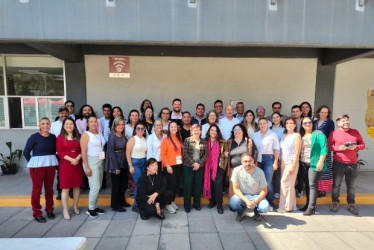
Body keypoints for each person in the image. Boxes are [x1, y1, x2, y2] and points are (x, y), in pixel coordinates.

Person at [23, 117, 59, 223]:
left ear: (50, 125)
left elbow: (56, 151)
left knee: (49, 189)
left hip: (50, 165)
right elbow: (26, 152)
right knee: (37, 190)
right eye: (43, 123)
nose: (45, 125)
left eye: (47, 123)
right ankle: (37, 213)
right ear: (39, 125)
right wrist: (32, 163)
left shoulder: (53, 137)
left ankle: (49, 210)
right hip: (37, 167)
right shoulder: (34, 137)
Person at [328, 114, 365, 215]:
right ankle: (335, 202)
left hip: (352, 163)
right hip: (338, 163)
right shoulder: (334, 133)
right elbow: (329, 146)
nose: (346, 122)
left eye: (347, 120)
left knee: (351, 185)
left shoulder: (355, 132)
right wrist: (339, 148)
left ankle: (351, 204)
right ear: (338, 123)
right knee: (336, 185)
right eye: (343, 121)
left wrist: (355, 147)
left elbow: (362, 145)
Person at [298, 117, 328, 216]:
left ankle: (312, 207)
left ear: (312, 123)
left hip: (314, 164)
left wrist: (320, 161)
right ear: (302, 124)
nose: (307, 124)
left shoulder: (318, 134)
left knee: (312, 185)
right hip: (303, 163)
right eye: (305, 123)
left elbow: (324, 149)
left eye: (309, 122)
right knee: (307, 185)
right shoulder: (301, 135)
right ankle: (307, 205)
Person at [229, 154, 270, 222]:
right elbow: (235, 189)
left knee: (265, 208)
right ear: (241, 162)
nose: (248, 163)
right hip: (243, 195)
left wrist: (255, 202)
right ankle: (241, 212)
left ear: (253, 161)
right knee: (233, 203)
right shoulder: (236, 171)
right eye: (245, 161)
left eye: (250, 161)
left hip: (257, 196)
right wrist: (247, 201)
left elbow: (264, 191)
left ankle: (256, 212)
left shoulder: (260, 172)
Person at [56, 117, 83, 220]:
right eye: (66, 124)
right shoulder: (60, 137)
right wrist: (71, 159)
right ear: (63, 126)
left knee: (76, 187)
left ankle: (75, 206)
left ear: (74, 125)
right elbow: (60, 152)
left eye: (71, 124)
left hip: (77, 164)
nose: (69, 126)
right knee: (65, 188)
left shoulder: (79, 136)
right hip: (65, 165)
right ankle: (65, 209)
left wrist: (77, 158)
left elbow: (83, 149)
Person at [80, 116, 106, 218]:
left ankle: (95, 206)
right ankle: (90, 209)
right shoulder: (86, 135)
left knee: (98, 185)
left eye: (95, 121)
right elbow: (83, 152)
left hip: (100, 160)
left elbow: (101, 146)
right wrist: (86, 166)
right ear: (87, 123)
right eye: (91, 122)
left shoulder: (99, 133)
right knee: (94, 186)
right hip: (91, 161)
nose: (94, 123)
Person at [252, 117, 280, 210]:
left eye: (264, 123)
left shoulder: (273, 134)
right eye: (260, 124)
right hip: (258, 160)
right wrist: (254, 161)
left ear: (267, 124)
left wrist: (276, 162)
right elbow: (253, 149)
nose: (262, 125)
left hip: (269, 159)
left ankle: (270, 202)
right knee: (259, 182)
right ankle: (261, 201)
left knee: (268, 182)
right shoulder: (255, 135)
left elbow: (276, 148)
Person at [182, 124, 208, 213]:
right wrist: (193, 164)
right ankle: (187, 205)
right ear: (191, 131)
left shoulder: (204, 141)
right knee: (187, 186)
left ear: (200, 131)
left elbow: (206, 154)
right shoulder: (187, 140)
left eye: (198, 129)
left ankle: (197, 204)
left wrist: (198, 164)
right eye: (194, 129)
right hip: (188, 167)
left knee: (198, 186)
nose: (196, 131)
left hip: (200, 167)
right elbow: (185, 154)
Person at [203, 124, 228, 214]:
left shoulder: (222, 142)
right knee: (211, 184)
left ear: (218, 132)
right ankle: (212, 201)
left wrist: (225, 153)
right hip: (207, 167)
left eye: (215, 130)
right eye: (212, 130)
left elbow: (226, 153)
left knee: (218, 184)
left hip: (219, 166)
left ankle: (219, 204)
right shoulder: (205, 141)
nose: (213, 132)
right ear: (209, 131)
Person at [278, 117, 302, 213]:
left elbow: (297, 151)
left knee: (284, 183)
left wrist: (293, 164)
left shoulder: (296, 135)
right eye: (287, 123)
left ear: (295, 125)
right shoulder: (283, 135)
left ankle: (285, 207)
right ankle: (291, 206)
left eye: (291, 123)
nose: (289, 124)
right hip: (283, 162)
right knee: (289, 185)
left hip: (292, 163)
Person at [160, 121, 184, 214]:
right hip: (170, 166)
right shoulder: (166, 140)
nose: (173, 128)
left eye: (175, 127)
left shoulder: (179, 138)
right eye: (172, 127)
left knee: (175, 185)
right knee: (170, 186)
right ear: (169, 129)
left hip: (178, 165)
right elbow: (163, 154)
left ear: (177, 129)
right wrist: (168, 165)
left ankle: (172, 201)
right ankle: (168, 204)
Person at [106, 117, 128, 212]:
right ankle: (115, 205)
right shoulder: (112, 136)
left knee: (123, 184)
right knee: (116, 185)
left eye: (122, 124)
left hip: (123, 162)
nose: (121, 126)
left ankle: (122, 201)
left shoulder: (123, 136)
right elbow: (110, 152)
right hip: (116, 163)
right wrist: (115, 167)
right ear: (114, 125)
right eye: (119, 124)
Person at [226, 123, 254, 198]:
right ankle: (233, 204)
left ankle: (244, 203)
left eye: (239, 129)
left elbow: (254, 154)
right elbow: (225, 153)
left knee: (244, 188)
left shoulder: (248, 141)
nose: (237, 131)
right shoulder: (229, 142)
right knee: (233, 188)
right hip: (233, 169)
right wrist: (225, 154)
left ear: (243, 131)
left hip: (245, 169)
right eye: (235, 130)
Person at [126, 122, 148, 213]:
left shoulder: (144, 139)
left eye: (142, 128)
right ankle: (136, 205)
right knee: (139, 184)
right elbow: (127, 153)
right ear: (135, 130)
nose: (140, 130)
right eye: (138, 128)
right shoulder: (132, 139)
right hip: (135, 162)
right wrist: (130, 166)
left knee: (142, 185)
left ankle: (139, 203)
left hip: (143, 162)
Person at [314, 105, 335, 197]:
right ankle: (315, 187)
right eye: (322, 112)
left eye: (326, 112)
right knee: (315, 167)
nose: (323, 114)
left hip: (324, 147)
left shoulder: (330, 122)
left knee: (324, 168)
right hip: (314, 148)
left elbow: (330, 135)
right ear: (318, 112)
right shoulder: (314, 122)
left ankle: (323, 189)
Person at [50, 106, 69, 200]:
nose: (64, 114)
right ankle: (60, 191)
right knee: (60, 173)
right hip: (58, 153)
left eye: (66, 113)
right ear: (58, 114)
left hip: (70, 153)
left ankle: (71, 191)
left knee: (70, 172)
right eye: (62, 113)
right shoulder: (53, 125)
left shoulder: (71, 124)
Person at [270, 112, 285, 199]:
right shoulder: (269, 129)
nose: (275, 119)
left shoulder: (283, 130)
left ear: (280, 118)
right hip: (270, 154)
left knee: (278, 174)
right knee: (271, 175)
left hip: (280, 155)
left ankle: (277, 191)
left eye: (277, 117)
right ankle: (271, 191)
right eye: (274, 117)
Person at [99, 103, 112, 190]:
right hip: (102, 146)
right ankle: (102, 182)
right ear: (103, 111)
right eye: (105, 110)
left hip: (111, 145)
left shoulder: (113, 120)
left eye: (108, 111)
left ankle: (111, 182)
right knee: (101, 162)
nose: (106, 112)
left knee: (111, 162)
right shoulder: (99, 120)